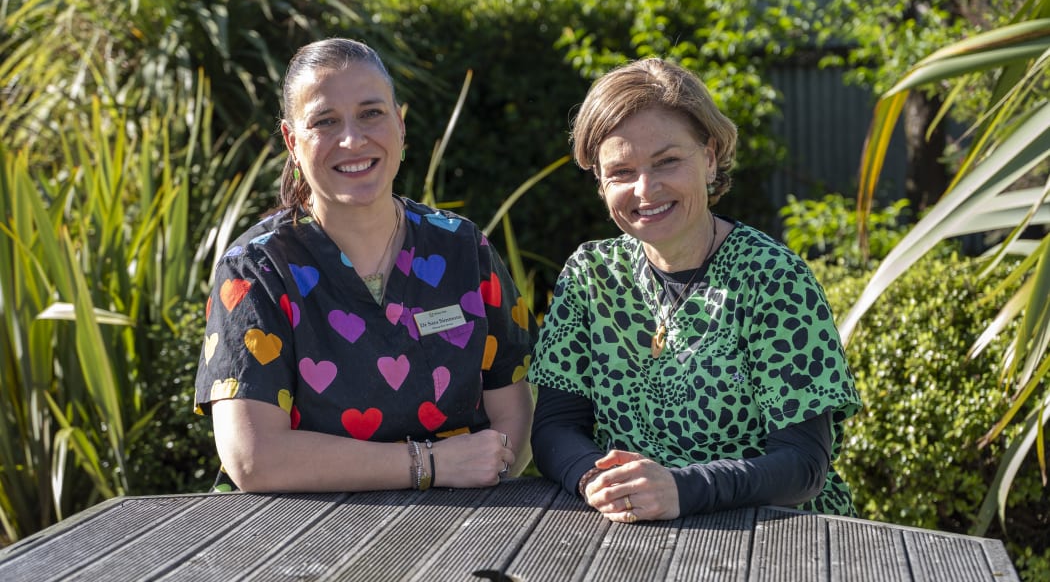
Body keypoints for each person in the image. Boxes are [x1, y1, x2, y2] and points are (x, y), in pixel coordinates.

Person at [194, 37, 536, 493]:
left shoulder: (462, 249)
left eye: (371, 113)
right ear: (292, 142)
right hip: (290, 538)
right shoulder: (257, 268)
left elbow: (513, 411)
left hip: (462, 528)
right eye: (325, 121)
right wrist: (429, 465)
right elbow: (254, 458)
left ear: (400, 123)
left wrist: (475, 489)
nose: (352, 139)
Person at [527, 58, 862, 523]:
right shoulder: (589, 276)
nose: (646, 188)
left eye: (667, 161)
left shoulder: (773, 279)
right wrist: (598, 481)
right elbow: (554, 427)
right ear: (600, 183)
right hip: (629, 530)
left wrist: (681, 489)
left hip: (776, 538)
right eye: (621, 171)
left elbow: (804, 465)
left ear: (708, 158)